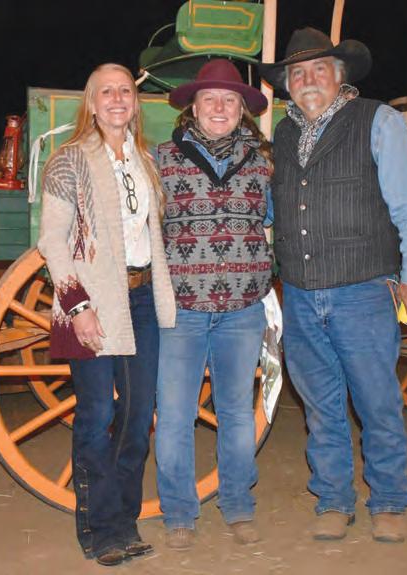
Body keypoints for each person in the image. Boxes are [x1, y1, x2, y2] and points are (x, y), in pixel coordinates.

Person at [259, 28, 407, 543]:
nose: (308, 80)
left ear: (340, 76)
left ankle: (389, 500)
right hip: (301, 292)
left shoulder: (379, 120)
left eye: (319, 70)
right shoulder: (283, 134)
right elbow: (275, 206)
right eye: (297, 73)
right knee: (320, 405)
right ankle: (334, 500)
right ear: (287, 84)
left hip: (364, 291)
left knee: (377, 401)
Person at [37, 63, 176, 566]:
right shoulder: (68, 161)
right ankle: (98, 529)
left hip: (141, 300)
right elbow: (52, 242)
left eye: (125, 91)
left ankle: (124, 521)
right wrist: (78, 307)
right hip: (92, 302)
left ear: (134, 104)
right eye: (106, 92)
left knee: (137, 417)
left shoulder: (145, 162)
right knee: (97, 415)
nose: (117, 99)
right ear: (92, 104)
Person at [154, 59, 274, 549]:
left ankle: (238, 505)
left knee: (237, 414)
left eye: (230, 100)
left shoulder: (264, 163)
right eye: (210, 99)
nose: (220, 107)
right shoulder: (161, 159)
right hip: (180, 308)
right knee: (175, 414)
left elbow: (272, 221)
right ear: (193, 108)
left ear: (243, 110)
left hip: (243, 309)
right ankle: (179, 511)